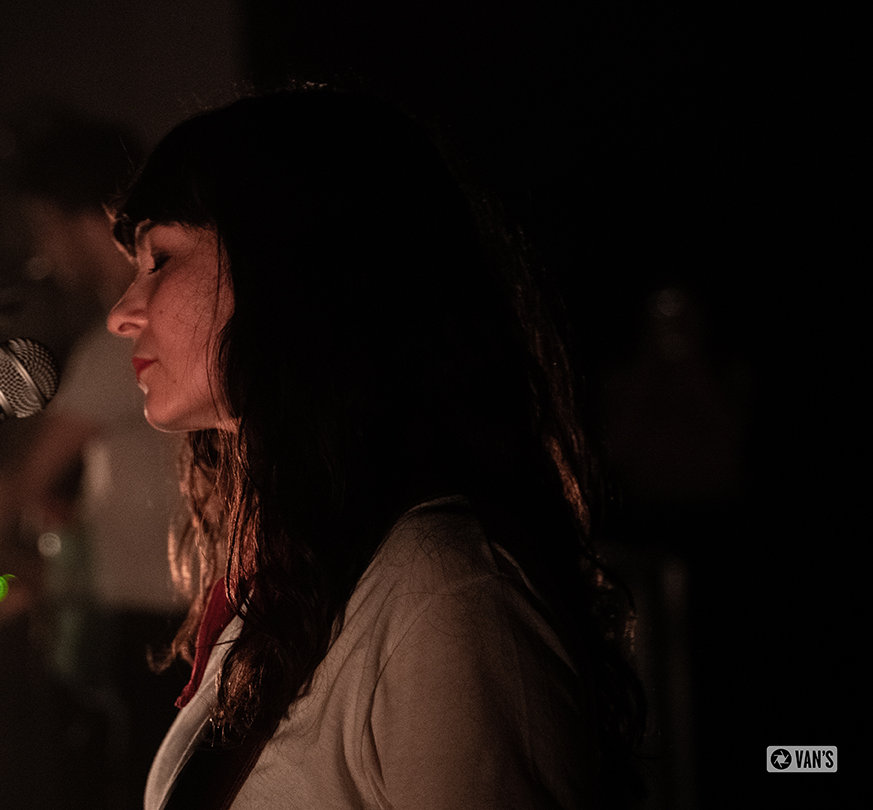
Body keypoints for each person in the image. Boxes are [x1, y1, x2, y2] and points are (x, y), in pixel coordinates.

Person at [104, 87, 644, 809]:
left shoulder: (442, 589)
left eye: (161, 258)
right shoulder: (293, 586)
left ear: (289, 263)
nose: (121, 314)